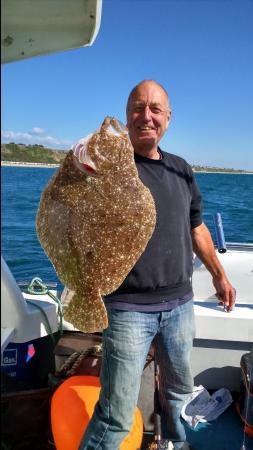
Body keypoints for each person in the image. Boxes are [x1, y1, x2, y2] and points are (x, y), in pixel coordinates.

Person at [79, 80, 236, 450]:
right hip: (127, 309)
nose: (145, 116)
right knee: (115, 414)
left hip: (180, 306)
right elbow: (81, 217)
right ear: (127, 115)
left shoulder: (181, 169)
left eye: (154, 109)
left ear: (168, 118)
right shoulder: (106, 168)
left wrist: (219, 275)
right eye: (137, 108)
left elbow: (195, 226)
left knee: (181, 398)